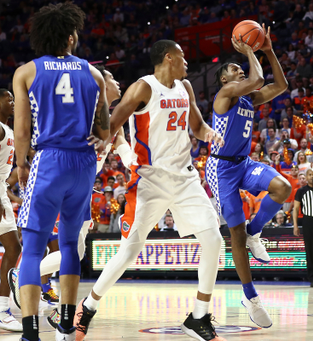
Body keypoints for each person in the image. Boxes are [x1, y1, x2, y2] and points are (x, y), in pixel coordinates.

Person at [74, 40, 227, 341]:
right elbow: (114, 122)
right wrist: (102, 140)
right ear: (169, 57)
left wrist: (207, 132)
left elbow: (196, 124)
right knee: (130, 251)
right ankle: (87, 307)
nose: (187, 63)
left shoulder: (185, 87)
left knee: (213, 240)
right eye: (183, 57)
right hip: (149, 179)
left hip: (184, 178)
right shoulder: (142, 87)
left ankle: (199, 316)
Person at [13, 3, 110, 341]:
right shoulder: (94, 74)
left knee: (34, 246)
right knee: (70, 245)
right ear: (70, 37)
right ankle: (67, 325)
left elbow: (22, 131)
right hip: (83, 164)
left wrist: (21, 164)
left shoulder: (27, 72)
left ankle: (30, 333)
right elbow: (105, 130)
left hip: (49, 160)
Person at [205, 25, 291, 329]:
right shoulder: (224, 94)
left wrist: (267, 50)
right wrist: (251, 50)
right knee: (235, 237)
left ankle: (257, 232)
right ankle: (251, 298)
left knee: (283, 188)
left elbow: (279, 85)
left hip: (242, 163)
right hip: (220, 169)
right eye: (232, 68)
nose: (238, 68)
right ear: (225, 79)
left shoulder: (247, 100)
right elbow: (257, 79)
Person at [0, 89, 22, 332]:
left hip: (1, 190)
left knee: (13, 247)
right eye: (9, 98)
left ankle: (2, 308)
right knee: (13, 247)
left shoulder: (9, 130)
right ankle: (2, 310)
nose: (13, 102)